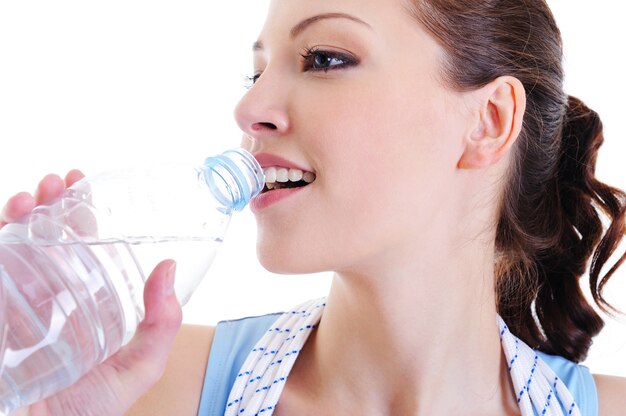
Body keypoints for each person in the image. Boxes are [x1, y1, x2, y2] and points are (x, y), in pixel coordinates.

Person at [3, 0, 626, 414]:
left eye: (325, 59)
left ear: (488, 121)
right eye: (256, 73)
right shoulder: (142, 389)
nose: (250, 111)